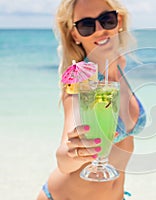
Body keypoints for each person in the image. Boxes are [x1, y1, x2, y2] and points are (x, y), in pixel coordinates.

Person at [37, 0, 146, 199]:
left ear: (118, 21)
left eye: (107, 19)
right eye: (86, 25)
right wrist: (72, 151)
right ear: (75, 34)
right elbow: (63, 160)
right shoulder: (81, 78)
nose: (99, 30)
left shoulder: (120, 63)